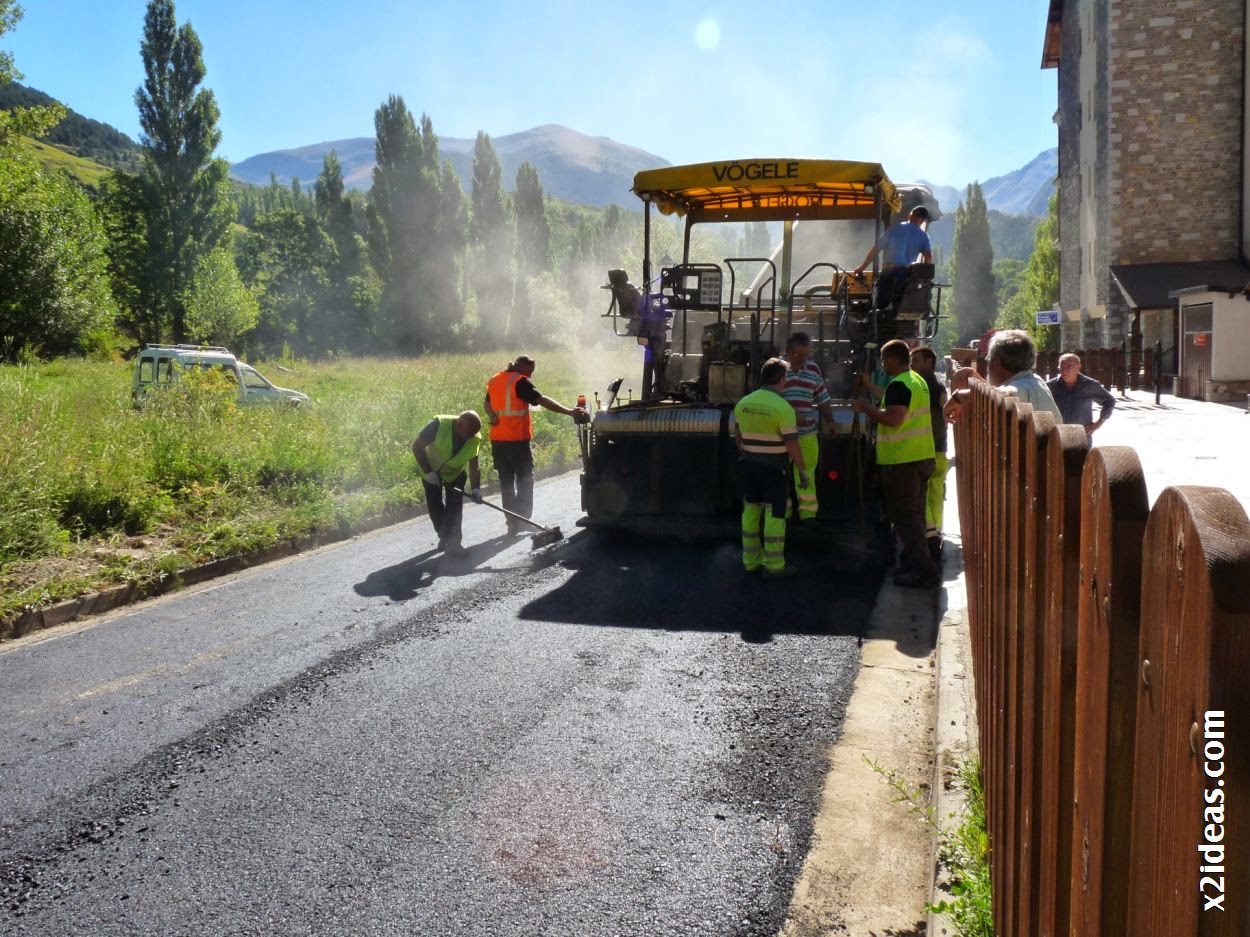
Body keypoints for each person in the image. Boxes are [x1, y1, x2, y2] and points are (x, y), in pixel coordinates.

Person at [851, 339, 939, 589]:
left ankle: (924, 571)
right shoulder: (915, 380)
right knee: (915, 517)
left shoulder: (899, 384)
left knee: (906, 520)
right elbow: (893, 402)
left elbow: (893, 419)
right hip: (921, 457)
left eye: (884, 359)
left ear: (892, 359)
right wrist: (870, 388)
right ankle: (912, 563)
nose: (882, 364)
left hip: (903, 462)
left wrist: (865, 408)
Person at [484, 355, 589, 534]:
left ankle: (512, 522)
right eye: (530, 371)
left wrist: (491, 416)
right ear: (522, 367)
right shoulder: (520, 382)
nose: (530, 375)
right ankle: (522, 519)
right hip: (517, 441)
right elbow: (542, 400)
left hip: (498, 440)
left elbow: (486, 403)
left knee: (506, 482)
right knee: (525, 479)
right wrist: (570, 412)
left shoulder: (495, 379)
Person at [733, 358, 809, 577]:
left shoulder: (744, 403)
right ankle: (774, 566)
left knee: (750, 511)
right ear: (782, 379)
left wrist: (749, 453)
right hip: (774, 469)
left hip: (748, 465)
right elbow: (792, 444)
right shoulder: (783, 408)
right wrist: (802, 471)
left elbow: (738, 436)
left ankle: (751, 562)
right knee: (774, 514)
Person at [944, 329, 1062, 424]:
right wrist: (975, 378)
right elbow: (999, 391)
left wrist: (958, 396)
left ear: (997, 364)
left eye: (988, 360)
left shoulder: (1019, 388)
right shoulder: (1036, 380)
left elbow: (1001, 395)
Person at [411, 410, 483, 557]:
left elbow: (474, 465)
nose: (471, 437)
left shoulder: (474, 438)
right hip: (430, 470)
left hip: (455, 475)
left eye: (474, 434)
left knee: (455, 510)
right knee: (435, 507)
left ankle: (454, 544)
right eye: (469, 433)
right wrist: (429, 472)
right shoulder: (438, 425)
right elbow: (416, 446)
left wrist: (476, 489)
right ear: (459, 424)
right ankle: (445, 537)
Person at [780, 332, 834, 521]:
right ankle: (782, 513)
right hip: (780, 436)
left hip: (807, 434)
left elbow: (823, 397)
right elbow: (769, 397)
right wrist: (793, 414)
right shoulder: (776, 369)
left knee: (806, 475)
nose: (804, 359)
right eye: (800, 354)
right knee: (780, 474)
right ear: (788, 352)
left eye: (807, 354)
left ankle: (808, 515)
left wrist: (830, 420)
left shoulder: (813, 369)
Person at [852, 206, 933, 314]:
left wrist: (862, 267)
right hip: (907, 276)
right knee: (900, 306)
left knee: (878, 306)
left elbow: (877, 248)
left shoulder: (895, 229)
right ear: (922, 221)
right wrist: (922, 279)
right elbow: (928, 257)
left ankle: (869, 315)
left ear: (909, 215)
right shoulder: (924, 236)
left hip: (890, 273)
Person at [909, 346, 949, 560]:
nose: (912, 364)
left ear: (929, 362)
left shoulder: (921, 385)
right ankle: (937, 530)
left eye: (916, 360)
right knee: (936, 492)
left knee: (922, 492)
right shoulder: (939, 385)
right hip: (940, 448)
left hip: (926, 448)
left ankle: (930, 534)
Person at [1046, 352, 1116, 437]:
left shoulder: (1089, 385)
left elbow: (1109, 401)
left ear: (1078, 367)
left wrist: (1098, 423)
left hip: (1082, 436)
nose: (1064, 370)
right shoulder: (1050, 386)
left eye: (1069, 367)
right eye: (1062, 367)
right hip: (1057, 436)